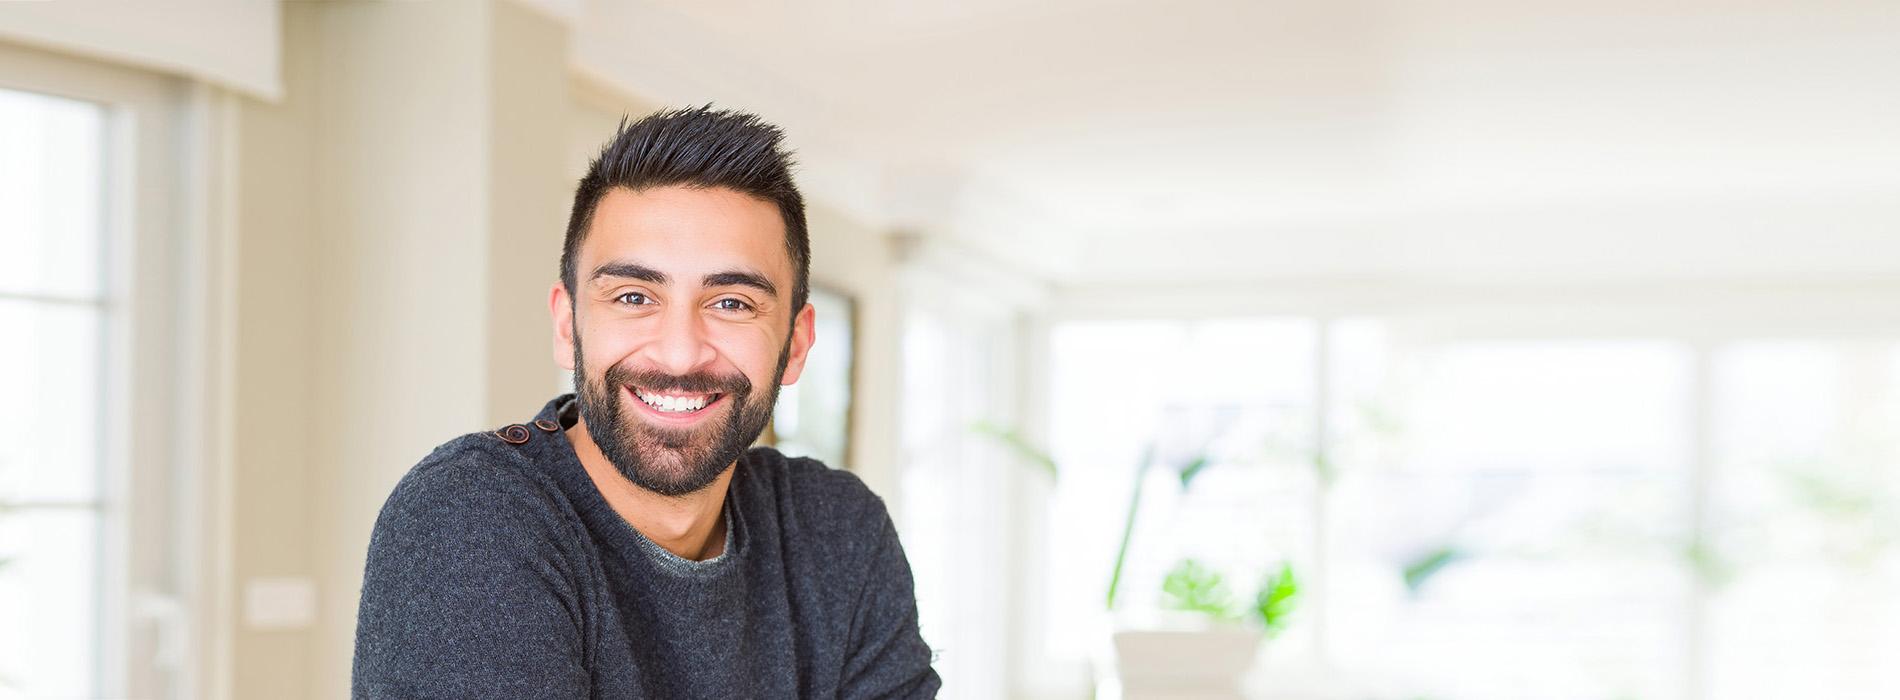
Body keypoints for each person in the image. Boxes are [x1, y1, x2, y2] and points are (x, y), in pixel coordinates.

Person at [352, 107, 941, 700]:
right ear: (568, 323)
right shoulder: (471, 519)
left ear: (795, 343)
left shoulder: (838, 531)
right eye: (634, 296)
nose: (680, 354)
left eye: (732, 303)